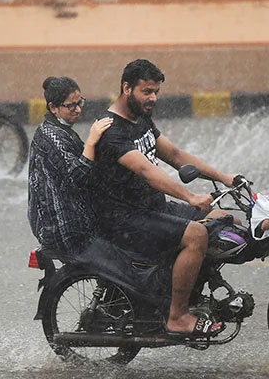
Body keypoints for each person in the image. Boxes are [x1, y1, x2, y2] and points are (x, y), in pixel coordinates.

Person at [92, 59, 240, 338]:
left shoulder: (140, 118)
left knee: (222, 220)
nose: (153, 98)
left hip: (150, 208)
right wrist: (190, 196)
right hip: (124, 219)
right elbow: (146, 171)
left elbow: (174, 155)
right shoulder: (112, 130)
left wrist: (224, 177)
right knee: (196, 235)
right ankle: (177, 316)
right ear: (127, 88)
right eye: (147, 91)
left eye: (156, 92)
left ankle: (188, 291)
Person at [28, 76, 113, 258]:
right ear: (53, 108)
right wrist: (91, 141)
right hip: (62, 227)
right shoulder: (51, 138)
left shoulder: (61, 130)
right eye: (71, 105)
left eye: (80, 102)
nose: (78, 109)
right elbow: (78, 178)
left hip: (71, 216)